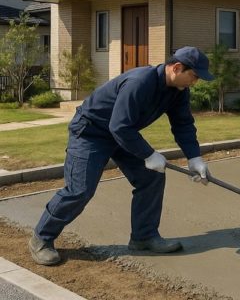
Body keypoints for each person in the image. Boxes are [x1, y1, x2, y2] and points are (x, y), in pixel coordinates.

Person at [28, 46, 215, 266]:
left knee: (151, 177)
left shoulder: (178, 91)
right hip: (91, 132)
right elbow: (119, 126)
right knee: (80, 190)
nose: (195, 82)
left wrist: (195, 158)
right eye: (194, 76)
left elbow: (183, 124)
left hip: (123, 134)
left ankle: (144, 237)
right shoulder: (140, 82)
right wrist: (148, 154)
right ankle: (42, 238)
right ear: (176, 68)